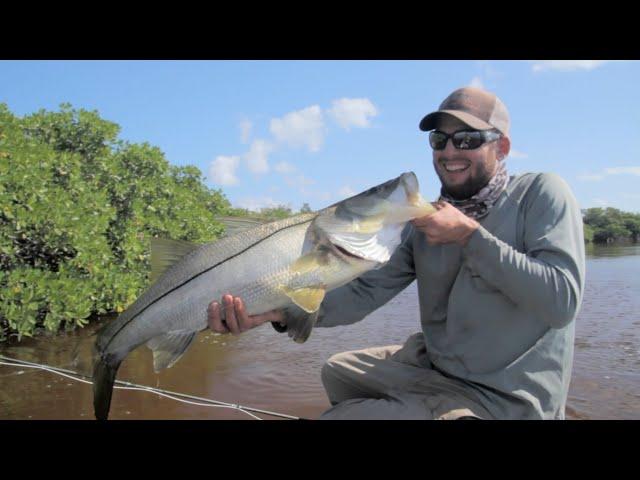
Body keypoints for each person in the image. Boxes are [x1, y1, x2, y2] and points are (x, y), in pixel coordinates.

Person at [207, 87, 586, 420]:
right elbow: (362, 294)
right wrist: (279, 312)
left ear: (501, 147)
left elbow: (561, 302)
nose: (450, 151)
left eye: (468, 139)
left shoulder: (541, 192)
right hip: (442, 372)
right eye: (440, 140)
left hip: (508, 398)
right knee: (337, 371)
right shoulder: (422, 224)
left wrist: (469, 237)